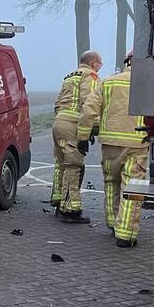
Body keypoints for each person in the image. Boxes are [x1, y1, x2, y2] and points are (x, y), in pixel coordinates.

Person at [77, 52, 154, 248]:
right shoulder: (152, 85)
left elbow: (88, 109)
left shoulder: (109, 82)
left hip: (110, 143)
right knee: (132, 188)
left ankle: (112, 223)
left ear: (127, 62)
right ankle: (125, 235)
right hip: (137, 144)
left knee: (111, 182)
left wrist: (83, 137)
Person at [51, 50, 102, 223]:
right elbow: (90, 105)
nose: (100, 68)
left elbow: (58, 103)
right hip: (73, 126)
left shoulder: (69, 76)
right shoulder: (91, 76)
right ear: (93, 62)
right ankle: (70, 210)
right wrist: (90, 131)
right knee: (74, 166)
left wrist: (63, 118)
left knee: (61, 164)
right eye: (100, 64)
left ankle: (59, 200)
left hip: (59, 124)